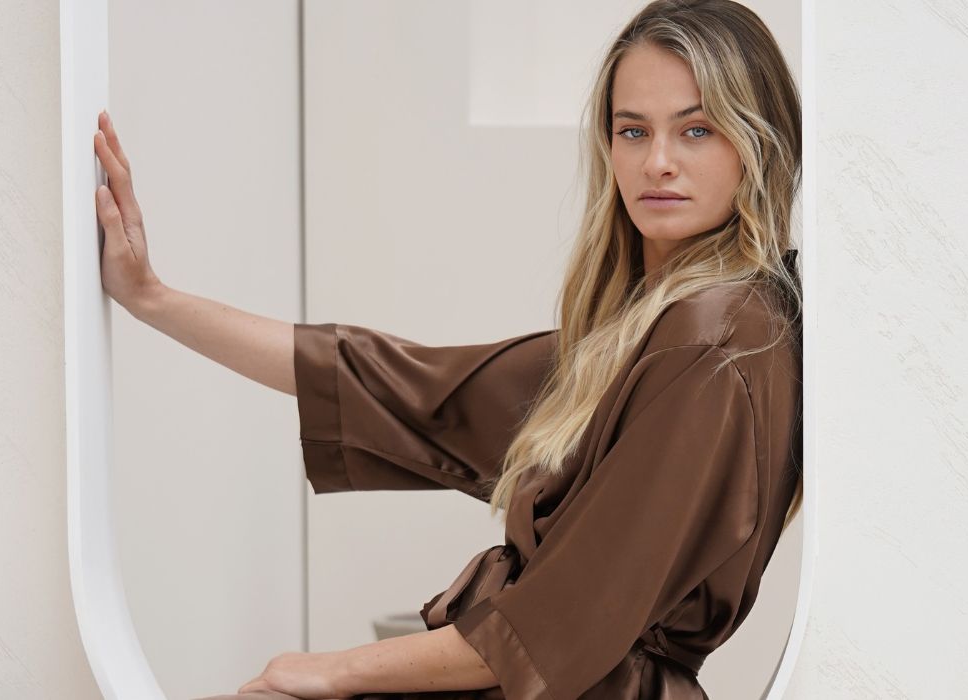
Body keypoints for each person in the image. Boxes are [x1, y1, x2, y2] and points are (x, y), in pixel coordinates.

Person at [93, 1, 803, 697]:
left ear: (759, 143)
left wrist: (332, 670)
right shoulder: (651, 332)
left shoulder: (714, 338)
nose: (658, 162)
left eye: (697, 130)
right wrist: (152, 298)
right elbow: (399, 387)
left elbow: (555, 626)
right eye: (633, 130)